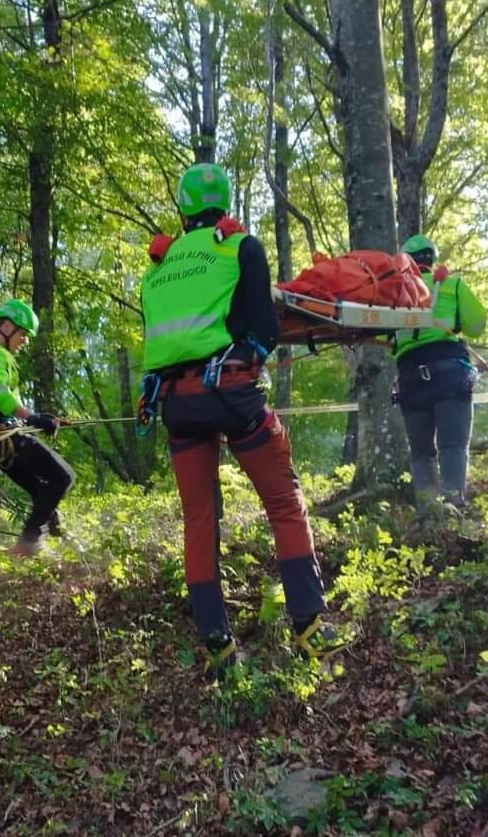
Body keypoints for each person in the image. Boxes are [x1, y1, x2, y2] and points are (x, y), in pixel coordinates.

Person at [140, 161, 339, 676]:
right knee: (282, 500)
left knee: (199, 519)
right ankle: (310, 625)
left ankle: (217, 645)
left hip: (177, 407)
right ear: (224, 203)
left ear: (183, 207)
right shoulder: (239, 246)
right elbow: (263, 329)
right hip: (231, 394)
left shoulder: (158, 269)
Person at [0, 298, 74, 558]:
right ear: (8, 327)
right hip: (4, 436)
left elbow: (6, 401)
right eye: (23, 334)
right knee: (62, 478)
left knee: (41, 491)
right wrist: (33, 418)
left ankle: (41, 534)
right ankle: (28, 542)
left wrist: (38, 418)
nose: (24, 340)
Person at [393, 233, 487, 511]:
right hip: (450, 376)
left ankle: (428, 515)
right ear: (432, 260)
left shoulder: (394, 293)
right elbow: (477, 325)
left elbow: (391, 342)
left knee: (421, 454)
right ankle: (453, 509)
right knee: (453, 447)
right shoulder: (452, 285)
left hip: (411, 381)